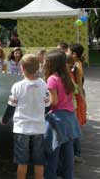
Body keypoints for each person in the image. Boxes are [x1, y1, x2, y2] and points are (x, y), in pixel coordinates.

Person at [1, 54, 50, 179]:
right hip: (39, 128)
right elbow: (47, 105)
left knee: (22, 162)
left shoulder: (17, 86)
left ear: (22, 68)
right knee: (39, 161)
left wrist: (4, 120)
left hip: (21, 129)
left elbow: (11, 107)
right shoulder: (43, 84)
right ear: (38, 68)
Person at [43, 50, 81, 179]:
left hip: (57, 119)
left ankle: (51, 176)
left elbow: (53, 102)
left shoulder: (52, 79)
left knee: (53, 152)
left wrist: (43, 102)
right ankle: (68, 176)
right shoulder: (67, 77)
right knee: (68, 152)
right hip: (70, 118)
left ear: (51, 63)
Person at [69, 44, 87, 162]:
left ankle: (77, 153)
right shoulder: (74, 64)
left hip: (77, 97)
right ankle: (76, 152)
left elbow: (79, 84)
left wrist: (82, 100)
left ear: (74, 54)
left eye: (69, 52)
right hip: (76, 96)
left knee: (75, 126)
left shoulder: (78, 65)